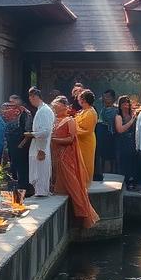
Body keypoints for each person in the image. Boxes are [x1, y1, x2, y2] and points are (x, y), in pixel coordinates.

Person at [50, 96, 99, 230]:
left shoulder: (79, 116)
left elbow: (74, 136)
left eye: (57, 104)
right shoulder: (60, 118)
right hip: (58, 153)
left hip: (72, 150)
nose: (54, 106)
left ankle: (83, 211)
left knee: (75, 178)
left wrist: (54, 139)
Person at [25, 87, 54, 197]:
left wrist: (32, 135)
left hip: (41, 146)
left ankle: (42, 192)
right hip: (38, 144)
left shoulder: (44, 111)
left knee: (40, 171)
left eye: (31, 97)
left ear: (35, 97)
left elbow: (45, 132)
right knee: (38, 170)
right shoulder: (41, 109)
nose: (30, 100)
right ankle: (40, 191)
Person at [3, 95, 31, 191]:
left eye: (12, 103)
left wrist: (21, 144)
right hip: (11, 145)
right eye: (10, 102)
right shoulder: (8, 113)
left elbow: (28, 131)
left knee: (22, 167)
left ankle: (24, 189)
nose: (10, 105)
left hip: (21, 145)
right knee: (13, 166)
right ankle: (16, 188)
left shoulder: (25, 113)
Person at [114, 96, 139, 190]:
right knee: (123, 163)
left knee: (132, 162)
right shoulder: (118, 116)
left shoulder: (133, 114)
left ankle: (132, 182)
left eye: (127, 103)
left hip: (132, 142)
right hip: (122, 142)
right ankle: (123, 182)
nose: (126, 105)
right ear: (120, 105)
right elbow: (120, 129)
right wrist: (131, 121)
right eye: (123, 103)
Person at [75, 90, 99, 182]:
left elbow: (87, 131)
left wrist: (73, 130)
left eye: (80, 97)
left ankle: (86, 182)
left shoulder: (90, 113)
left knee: (86, 161)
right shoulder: (83, 111)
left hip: (86, 140)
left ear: (84, 100)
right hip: (79, 141)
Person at [97, 89, 118, 175]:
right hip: (104, 136)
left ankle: (114, 171)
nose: (106, 99)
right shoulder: (102, 109)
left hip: (114, 135)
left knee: (113, 155)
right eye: (105, 97)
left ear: (113, 98)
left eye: (108, 97)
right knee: (103, 155)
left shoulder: (116, 110)